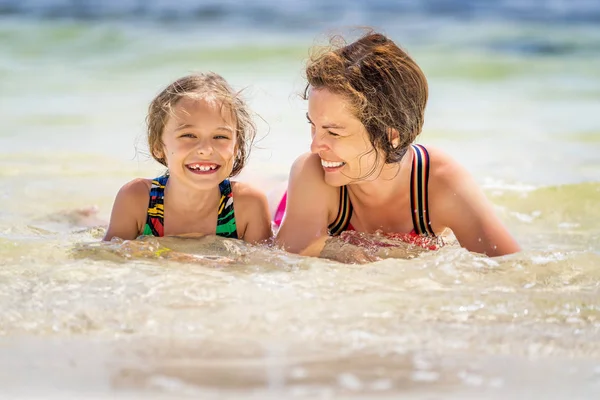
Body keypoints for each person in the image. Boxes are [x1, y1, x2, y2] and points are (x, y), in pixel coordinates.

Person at [274, 31, 520, 259]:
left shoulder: (438, 182)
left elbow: (510, 266)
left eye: (334, 132)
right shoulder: (312, 173)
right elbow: (289, 262)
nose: (315, 146)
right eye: (313, 125)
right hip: (293, 207)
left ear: (393, 135)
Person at [104, 73, 272, 244]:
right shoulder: (137, 199)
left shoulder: (247, 205)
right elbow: (110, 260)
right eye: (189, 135)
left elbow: (259, 266)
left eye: (220, 137)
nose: (206, 150)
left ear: (236, 147)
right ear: (158, 145)